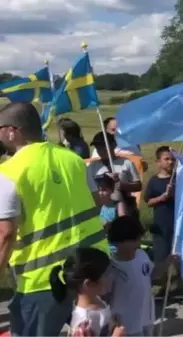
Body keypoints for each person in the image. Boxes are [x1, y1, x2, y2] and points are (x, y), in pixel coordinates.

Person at [0, 102, 110, 336]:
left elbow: (6, 234)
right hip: (91, 268)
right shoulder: (73, 159)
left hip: (42, 281)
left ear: (12, 131)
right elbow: (95, 202)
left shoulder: (8, 173)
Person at [106, 216, 177, 337]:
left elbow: (152, 274)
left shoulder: (141, 255)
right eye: (134, 240)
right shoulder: (112, 267)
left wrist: (167, 263)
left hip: (146, 318)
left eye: (138, 239)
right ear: (118, 242)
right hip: (126, 324)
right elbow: (106, 295)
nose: (138, 243)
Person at [49, 247, 126, 337]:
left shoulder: (96, 301)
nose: (111, 277)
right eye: (106, 274)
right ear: (88, 284)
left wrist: (113, 324)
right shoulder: (84, 322)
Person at [143, 146, 177, 293]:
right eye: (167, 159)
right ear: (158, 162)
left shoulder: (178, 178)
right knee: (162, 254)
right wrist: (163, 197)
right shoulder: (154, 181)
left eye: (173, 159)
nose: (170, 162)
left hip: (176, 222)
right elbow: (148, 202)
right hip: (161, 224)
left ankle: (176, 285)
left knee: (176, 255)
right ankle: (164, 285)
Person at [88, 132, 142, 218]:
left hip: (125, 208)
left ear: (113, 145)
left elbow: (138, 186)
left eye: (103, 146)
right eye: (98, 147)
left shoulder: (126, 162)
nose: (100, 150)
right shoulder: (92, 166)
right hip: (103, 210)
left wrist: (120, 184)